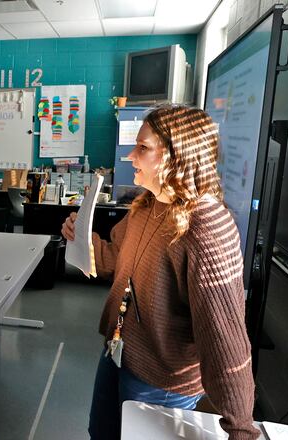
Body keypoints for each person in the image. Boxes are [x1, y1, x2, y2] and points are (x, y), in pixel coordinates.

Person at [60, 106, 257, 439]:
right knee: (101, 433)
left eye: (143, 147)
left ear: (177, 156)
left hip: (161, 381)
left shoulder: (207, 228)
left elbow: (225, 338)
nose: (130, 155)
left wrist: (241, 429)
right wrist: (82, 239)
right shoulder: (147, 206)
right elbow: (113, 262)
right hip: (118, 352)